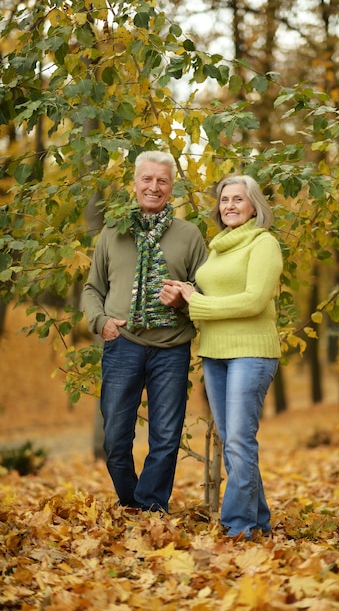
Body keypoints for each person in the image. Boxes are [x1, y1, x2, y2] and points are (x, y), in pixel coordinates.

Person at [82, 150, 207, 513]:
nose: (154, 187)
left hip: (171, 349)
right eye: (147, 179)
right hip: (123, 345)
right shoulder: (113, 231)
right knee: (115, 440)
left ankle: (149, 510)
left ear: (172, 187)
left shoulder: (189, 235)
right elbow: (92, 289)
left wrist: (183, 300)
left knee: (165, 438)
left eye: (162, 181)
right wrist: (101, 322)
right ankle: (131, 503)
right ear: (134, 184)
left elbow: (204, 290)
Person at [164, 174, 283, 540]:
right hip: (214, 353)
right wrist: (187, 294)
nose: (229, 205)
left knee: (238, 441)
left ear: (254, 206)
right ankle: (258, 521)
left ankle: (238, 527)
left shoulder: (264, 244)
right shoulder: (217, 247)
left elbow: (253, 301)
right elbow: (212, 299)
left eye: (238, 199)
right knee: (232, 440)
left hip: (252, 352)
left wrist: (197, 302)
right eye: (224, 199)